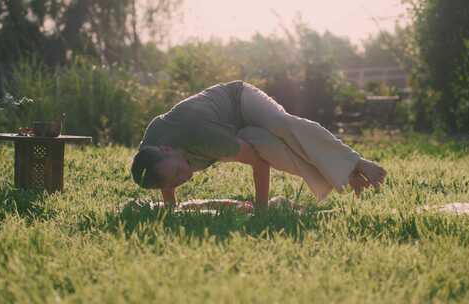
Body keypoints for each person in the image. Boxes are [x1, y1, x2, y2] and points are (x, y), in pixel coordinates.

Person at [131, 80, 386, 212]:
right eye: (174, 181)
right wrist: (170, 208)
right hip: (234, 131)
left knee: (282, 125)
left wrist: (261, 210)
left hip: (239, 101)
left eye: (178, 173)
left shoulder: (202, 136)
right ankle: (348, 174)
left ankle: (357, 163)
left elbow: (257, 163)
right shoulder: (151, 152)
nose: (183, 178)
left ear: (168, 149)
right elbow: (163, 177)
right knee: (279, 154)